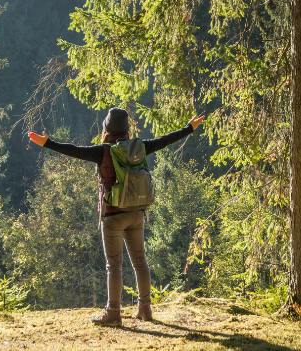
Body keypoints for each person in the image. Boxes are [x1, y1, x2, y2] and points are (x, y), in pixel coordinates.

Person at [29, 108, 205, 326]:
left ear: (106, 128)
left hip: (113, 216)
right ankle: (145, 309)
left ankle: (113, 313)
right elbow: (165, 140)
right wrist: (189, 128)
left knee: (114, 266)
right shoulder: (139, 147)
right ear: (126, 129)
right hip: (137, 213)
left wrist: (48, 143)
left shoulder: (102, 151)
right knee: (140, 261)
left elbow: (73, 150)